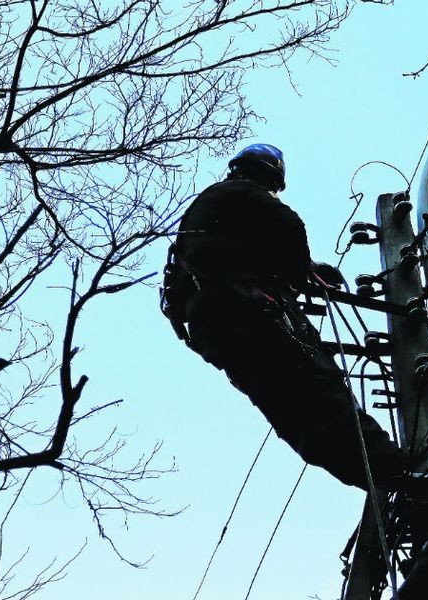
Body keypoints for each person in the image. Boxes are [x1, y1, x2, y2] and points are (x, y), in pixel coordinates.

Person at [161, 143, 410, 491]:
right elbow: (288, 229)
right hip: (254, 317)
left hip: (216, 333)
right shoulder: (247, 198)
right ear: (270, 177)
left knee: (295, 417)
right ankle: (395, 470)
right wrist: (300, 273)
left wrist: (305, 272)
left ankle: (380, 475)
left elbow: (238, 251)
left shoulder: (210, 210)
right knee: (321, 394)